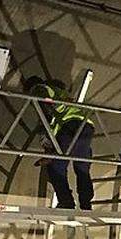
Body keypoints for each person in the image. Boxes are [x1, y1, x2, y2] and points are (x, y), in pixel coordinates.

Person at [25, 76, 94, 210]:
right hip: (86, 127)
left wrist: (49, 152)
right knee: (82, 168)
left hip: (70, 127)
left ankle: (66, 201)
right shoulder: (61, 93)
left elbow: (46, 112)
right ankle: (86, 204)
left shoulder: (39, 89)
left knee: (56, 168)